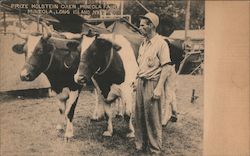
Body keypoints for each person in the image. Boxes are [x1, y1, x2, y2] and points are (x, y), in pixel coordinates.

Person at [133, 12, 173, 155]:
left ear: (151, 26)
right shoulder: (143, 43)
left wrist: (159, 88)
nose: (140, 28)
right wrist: (135, 79)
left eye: (143, 25)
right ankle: (140, 146)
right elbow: (141, 65)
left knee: (153, 118)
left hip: (152, 84)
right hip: (140, 82)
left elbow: (167, 67)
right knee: (138, 117)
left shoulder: (161, 43)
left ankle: (155, 150)